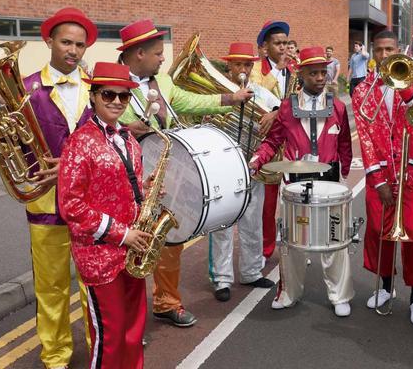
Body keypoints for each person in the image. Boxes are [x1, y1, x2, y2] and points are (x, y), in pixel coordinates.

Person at [116, 19, 252, 327]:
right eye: (157, 53)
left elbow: (189, 101)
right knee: (127, 247)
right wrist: (125, 130)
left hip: (163, 173)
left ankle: (166, 303)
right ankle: (126, 319)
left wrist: (229, 99)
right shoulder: (110, 83)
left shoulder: (161, 82)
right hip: (125, 177)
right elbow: (95, 123)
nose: (163, 58)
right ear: (138, 54)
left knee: (168, 241)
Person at [249, 46, 354, 317]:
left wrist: (344, 171)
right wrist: (257, 160)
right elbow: (273, 141)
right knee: (292, 241)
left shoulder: (339, 107)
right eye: (314, 73)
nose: (321, 78)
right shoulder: (286, 108)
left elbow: (343, 141)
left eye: (324, 72)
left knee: (335, 240)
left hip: (329, 180)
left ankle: (339, 294)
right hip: (295, 182)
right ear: (301, 74)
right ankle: (288, 292)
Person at [58, 62, 150, 369]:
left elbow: (127, 189)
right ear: (94, 96)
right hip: (100, 256)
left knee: (134, 330)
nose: (116, 102)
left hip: (133, 251)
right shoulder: (80, 142)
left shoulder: (130, 140)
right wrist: (123, 233)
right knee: (110, 335)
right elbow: (71, 206)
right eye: (108, 94)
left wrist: (146, 192)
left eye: (123, 97)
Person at [21, 7, 97, 369]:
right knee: (50, 287)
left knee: (92, 283)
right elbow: (9, 147)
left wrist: (68, 166)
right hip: (45, 204)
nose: (73, 50)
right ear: (48, 41)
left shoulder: (98, 91)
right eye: (66, 42)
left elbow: (103, 144)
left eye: (79, 45)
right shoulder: (24, 89)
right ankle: (55, 357)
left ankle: (98, 345)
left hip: (89, 203)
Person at [351, 30, 413, 325]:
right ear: (372, 53)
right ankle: (385, 285)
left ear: (400, 50)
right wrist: (379, 179)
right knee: (377, 230)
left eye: (389, 49)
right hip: (381, 174)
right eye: (379, 50)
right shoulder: (362, 90)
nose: (385, 56)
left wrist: (408, 89)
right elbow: (366, 137)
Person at [209, 42, 279, 301]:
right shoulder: (217, 92)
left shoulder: (260, 92)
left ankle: (251, 271)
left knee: (252, 221)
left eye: (248, 64)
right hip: (222, 166)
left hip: (251, 165)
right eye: (238, 64)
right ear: (229, 66)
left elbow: (282, 110)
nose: (243, 69)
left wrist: (275, 113)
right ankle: (222, 278)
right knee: (223, 224)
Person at [250, 20, 293, 261]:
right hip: (265, 145)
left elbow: (296, 102)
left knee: (292, 200)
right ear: (265, 47)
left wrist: (278, 112)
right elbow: (256, 91)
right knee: (265, 207)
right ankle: (265, 251)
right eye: (278, 43)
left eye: (286, 43)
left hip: (289, 147)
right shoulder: (258, 69)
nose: (283, 48)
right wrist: (276, 69)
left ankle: (294, 244)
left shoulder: (294, 71)